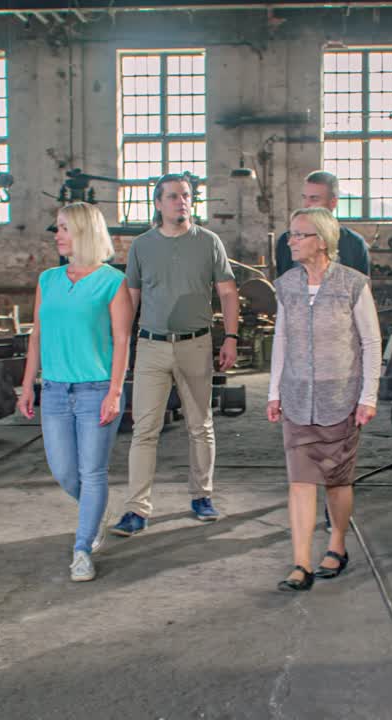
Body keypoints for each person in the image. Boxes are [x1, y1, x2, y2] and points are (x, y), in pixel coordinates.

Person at [110, 173, 240, 537]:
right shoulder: (142, 246)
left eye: (185, 195)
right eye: (172, 196)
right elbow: (131, 297)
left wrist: (230, 338)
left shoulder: (209, 242)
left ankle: (202, 496)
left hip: (195, 344)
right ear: (158, 203)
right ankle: (136, 509)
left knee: (200, 425)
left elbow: (228, 293)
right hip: (151, 346)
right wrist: (120, 343)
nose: (181, 201)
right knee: (144, 430)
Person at [17, 202, 132, 583]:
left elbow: (122, 340)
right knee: (64, 471)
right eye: (58, 227)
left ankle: (82, 549)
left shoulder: (112, 282)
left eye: (64, 227)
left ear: (84, 231)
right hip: (54, 390)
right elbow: (37, 335)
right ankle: (94, 512)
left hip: (95, 390)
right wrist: (27, 385)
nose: (58, 235)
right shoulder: (48, 280)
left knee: (92, 471)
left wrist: (115, 391)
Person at [267, 207, 381, 591]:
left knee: (336, 480)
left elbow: (371, 342)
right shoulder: (286, 285)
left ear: (322, 241)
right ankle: (300, 563)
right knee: (300, 480)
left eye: (300, 235)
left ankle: (337, 544)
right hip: (298, 397)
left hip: (340, 397)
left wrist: (368, 397)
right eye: (291, 234)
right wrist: (274, 392)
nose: (291, 241)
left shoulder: (353, 284)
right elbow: (281, 339)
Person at [274, 171, 371, 278]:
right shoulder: (285, 241)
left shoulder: (354, 244)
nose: (306, 205)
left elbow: (362, 286)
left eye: (314, 199)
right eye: (304, 197)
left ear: (333, 202)